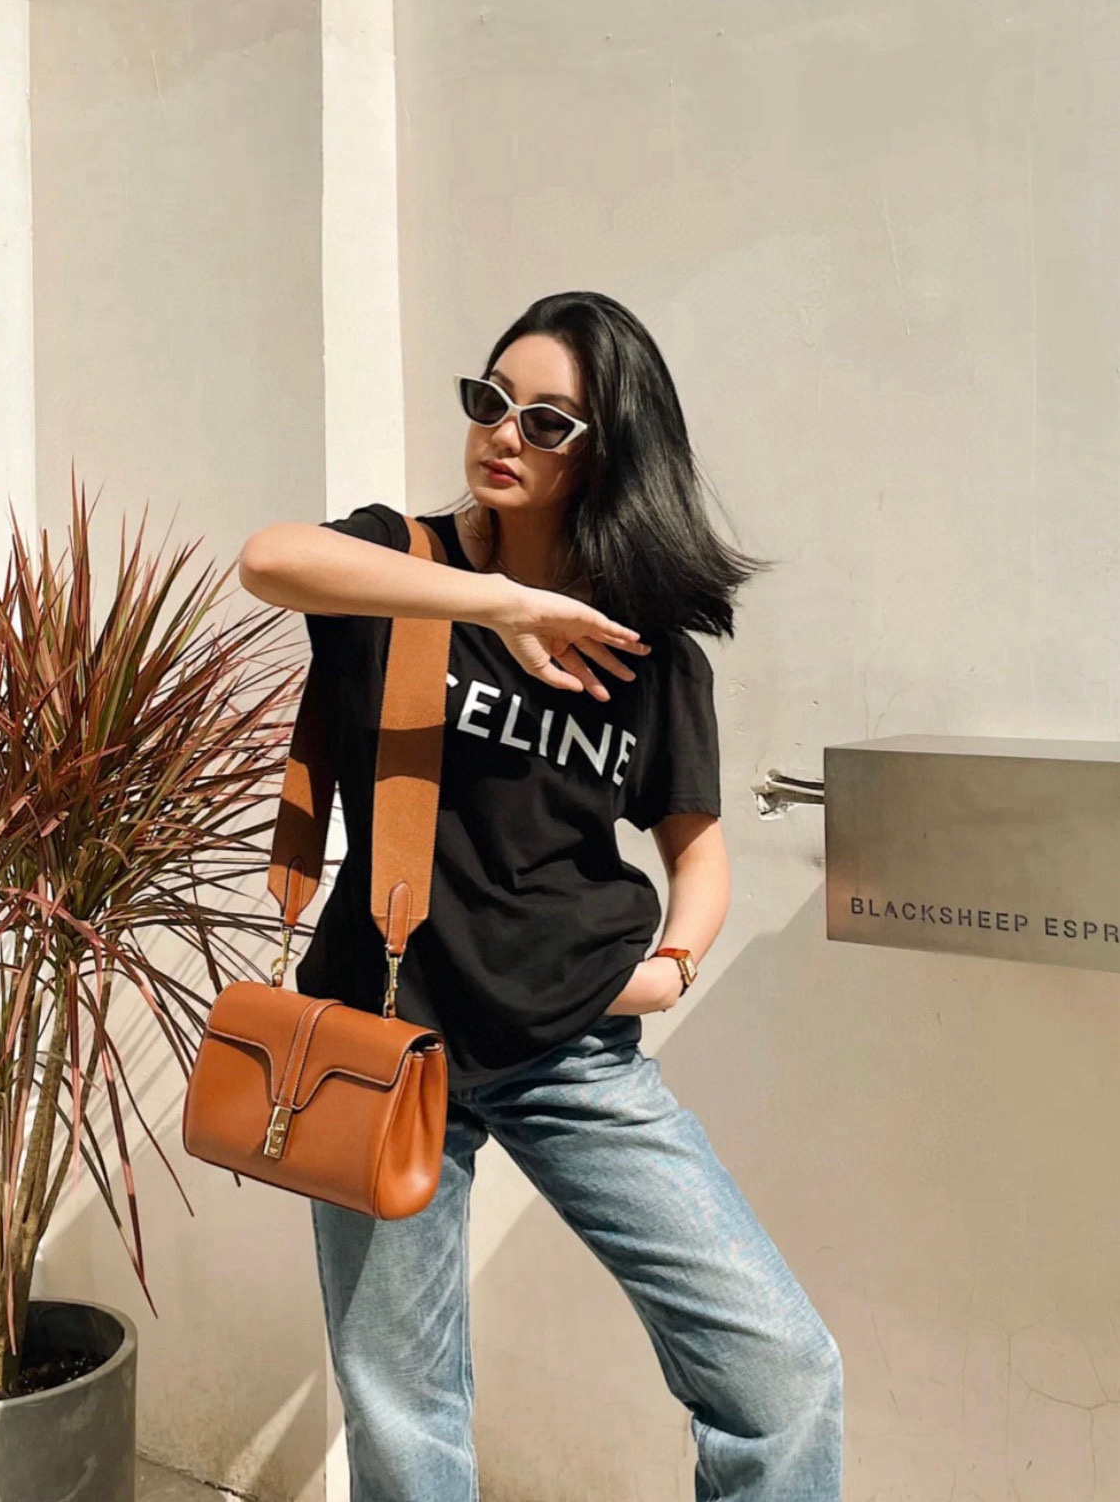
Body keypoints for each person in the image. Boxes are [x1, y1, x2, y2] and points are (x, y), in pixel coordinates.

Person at [238, 290, 844, 1501]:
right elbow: (269, 560)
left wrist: (671, 968)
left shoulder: (645, 652)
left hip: (573, 1047)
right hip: (386, 1043)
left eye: (547, 421)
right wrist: (501, 603)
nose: (502, 433)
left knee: (784, 1373)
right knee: (405, 1418)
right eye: (490, 401)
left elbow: (700, 852)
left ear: (608, 450)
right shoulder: (400, 564)